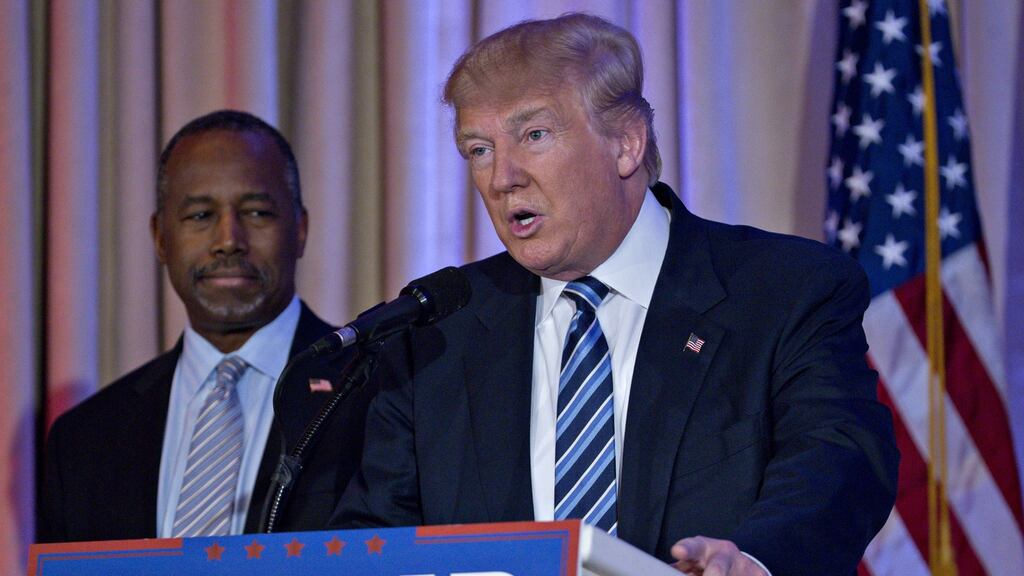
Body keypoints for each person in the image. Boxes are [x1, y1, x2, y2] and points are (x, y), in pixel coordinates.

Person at [331, 13, 898, 575]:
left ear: (626, 143)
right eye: (479, 149)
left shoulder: (783, 290)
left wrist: (752, 561)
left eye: (534, 135)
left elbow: (840, 458)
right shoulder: (438, 329)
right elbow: (374, 538)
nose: (503, 177)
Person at [40, 110, 374, 542]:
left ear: (301, 230)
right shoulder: (83, 441)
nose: (228, 239)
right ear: (160, 237)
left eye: (256, 212)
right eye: (199, 216)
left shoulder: (377, 395)